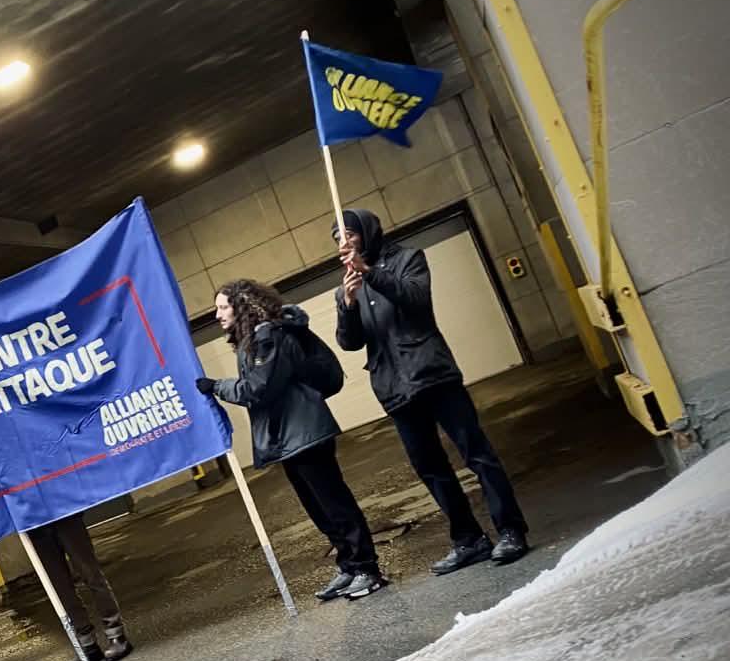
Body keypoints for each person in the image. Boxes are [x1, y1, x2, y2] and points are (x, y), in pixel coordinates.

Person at [334, 208, 528, 573]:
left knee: (477, 455)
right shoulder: (346, 284)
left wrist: (371, 273)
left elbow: (417, 300)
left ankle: (511, 530)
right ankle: (468, 539)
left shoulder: (408, 259)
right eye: (337, 238)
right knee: (431, 469)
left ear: (366, 231)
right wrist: (347, 306)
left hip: (432, 373)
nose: (342, 241)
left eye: (348, 232)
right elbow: (349, 342)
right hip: (393, 389)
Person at [199, 279, 385, 601]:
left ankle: (367, 569)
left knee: (334, 504)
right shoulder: (255, 339)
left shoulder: (268, 337)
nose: (217, 315)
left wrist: (217, 386)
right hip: (291, 436)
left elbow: (258, 388)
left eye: (223, 307)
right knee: (318, 507)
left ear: (242, 306)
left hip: (306, 433)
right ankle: (349, 564)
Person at [27, 511, 133, 661]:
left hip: (63, 510)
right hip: (33, 522)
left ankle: (116, 634)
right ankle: (87, 643)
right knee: (60, 587)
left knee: (90, 573)